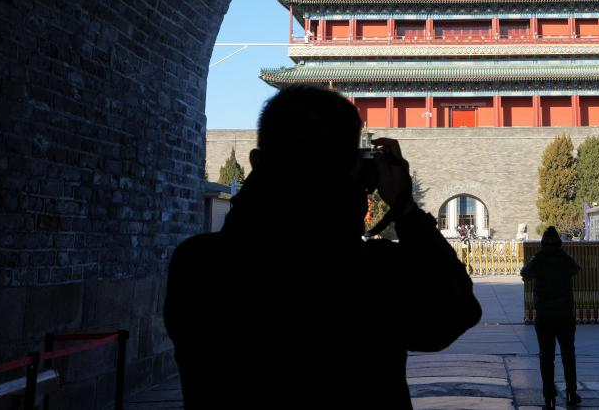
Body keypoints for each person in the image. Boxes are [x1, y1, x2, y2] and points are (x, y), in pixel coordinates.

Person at [164, 85, 482, 408]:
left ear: (257, 162)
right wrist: (405, 207)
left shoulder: (197, 265)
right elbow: (458, 310)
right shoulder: (372, 273)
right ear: (354, 177)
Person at [520, 227, 582, 409]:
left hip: (545, 316)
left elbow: (525, 274)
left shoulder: (538, 260)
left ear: (542, 243)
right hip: (565, 315)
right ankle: (571, 392)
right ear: (559, 243)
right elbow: (575, 269)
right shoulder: (564, 259)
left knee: (546, 357)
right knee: (568, 355)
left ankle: (549, 397)